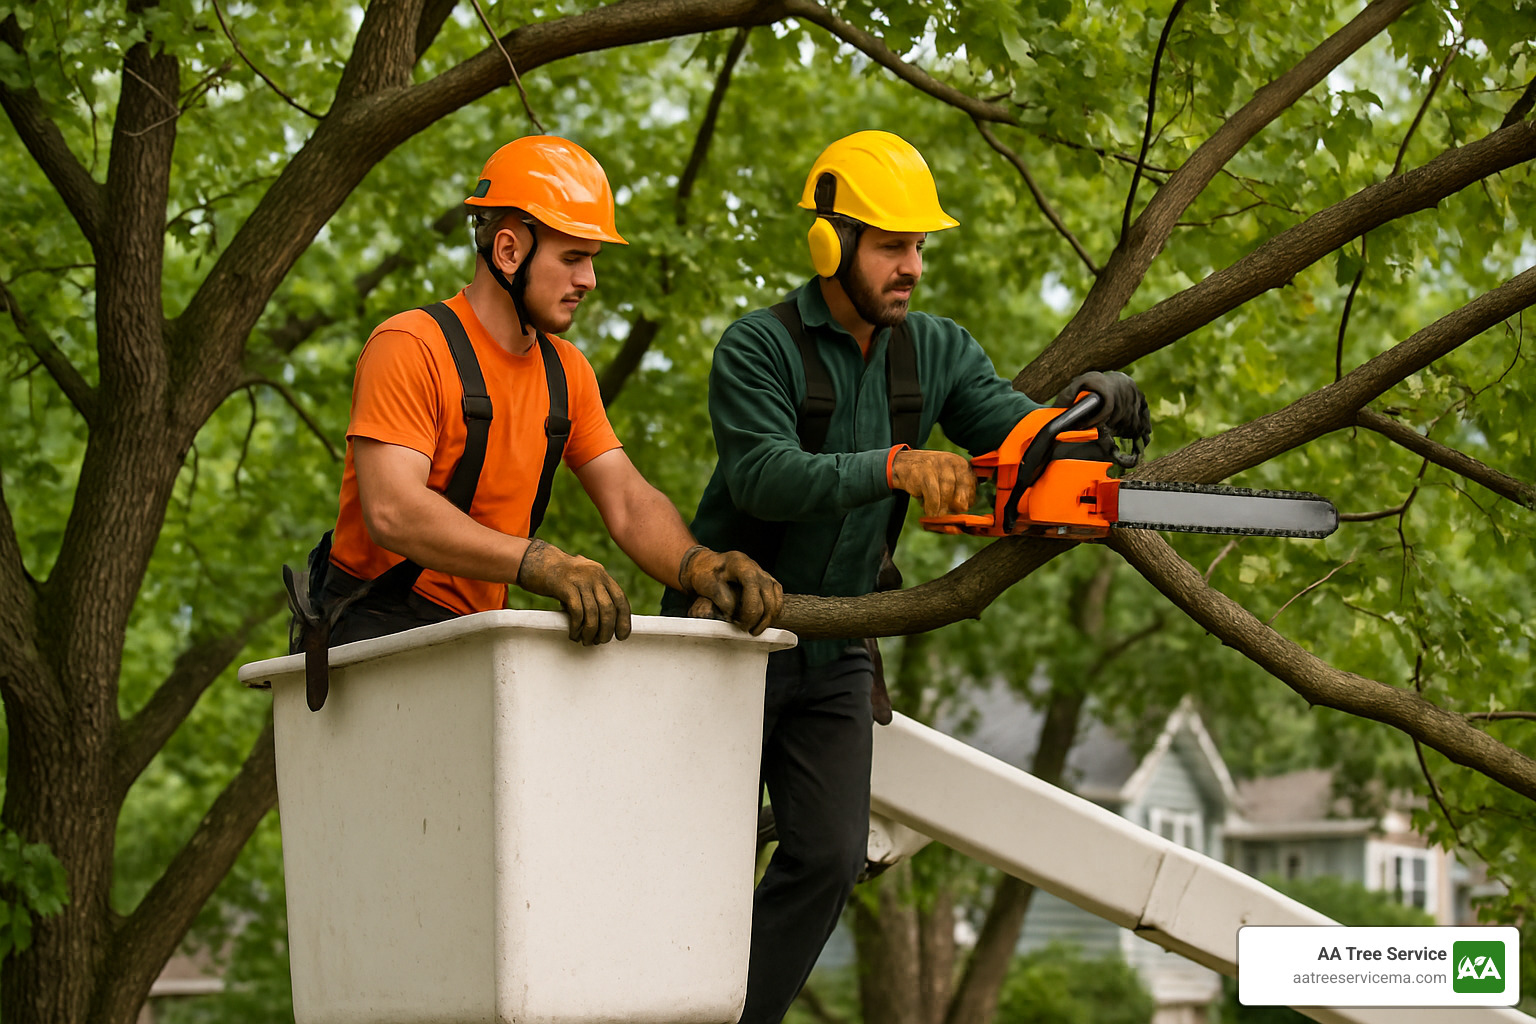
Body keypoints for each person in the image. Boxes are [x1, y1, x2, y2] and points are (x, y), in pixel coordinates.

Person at [662, 130, 1150, 1023]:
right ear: (831, 243)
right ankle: (653, 995)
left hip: (837, 645)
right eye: (893, 245)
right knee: (689, 860)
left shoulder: (934, 351)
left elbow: (1013, 433)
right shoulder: (757, 349)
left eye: (920, 246)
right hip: (724, 640)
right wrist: (890, 465)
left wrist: (1080, 419)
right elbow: (761, 474)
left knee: (831, 852)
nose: (913, 267)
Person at [288, 135, 782, 690]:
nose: (588, 281)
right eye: (572, 258)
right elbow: (394, 509)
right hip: (372, 637)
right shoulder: (411, 345)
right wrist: (542, 563)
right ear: (507, 251)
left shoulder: (566, 373)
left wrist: (700, 565)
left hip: (476, 640)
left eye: (591, 261)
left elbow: (626, 498)